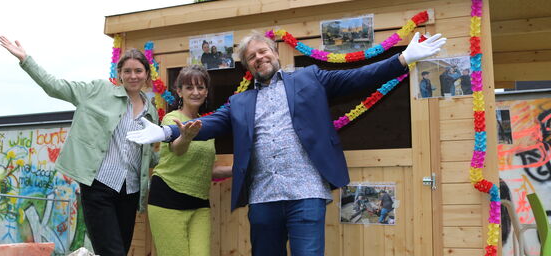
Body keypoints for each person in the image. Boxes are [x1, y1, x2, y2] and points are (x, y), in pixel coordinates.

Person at [127, 31, 445, 256]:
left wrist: (402, 59)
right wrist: (167, 133)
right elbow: (207, 123)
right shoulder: (240, 102)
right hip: (263, 198)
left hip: (306, 192)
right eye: (251, 56)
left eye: (263, 51)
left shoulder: (310, 79)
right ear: (247, 67)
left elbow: (357, 78)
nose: (259, 57)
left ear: (275, 53)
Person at [0, 36, 159, 256]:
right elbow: (55, 87)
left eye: (139, 71)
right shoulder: (97, 91)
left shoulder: (150, 112)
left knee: (120, 249)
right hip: (99, 185)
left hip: (130, 190)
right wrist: (26, 60)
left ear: (147, 75)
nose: (133, 76)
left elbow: (147, 155)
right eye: (128, 70)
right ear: (119, 73)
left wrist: (180, 146)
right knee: (113, 252)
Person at [147, 65, 232, 256]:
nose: (195, 92)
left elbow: (207, 170)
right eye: (189, 87)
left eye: (200, 87)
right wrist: (185, 137)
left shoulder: (207, 126)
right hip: (167, 199)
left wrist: (239, 169)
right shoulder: (172, 119)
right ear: (179, 92)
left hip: (199, 203)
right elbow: (177, 150)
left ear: (207, 91)